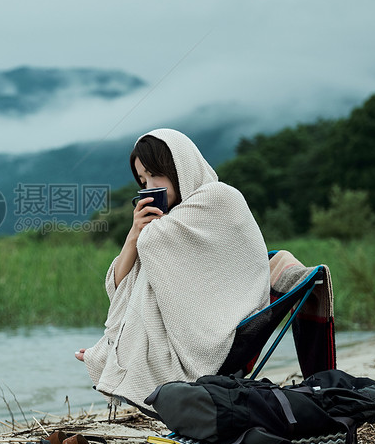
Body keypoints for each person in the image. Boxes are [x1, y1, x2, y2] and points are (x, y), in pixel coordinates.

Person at [76, 128, 270, 412]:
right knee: (145, 267)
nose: (150, 186)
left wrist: (150, 233)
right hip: (200, 322)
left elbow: (224, 278)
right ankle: (115, 349)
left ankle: (115, 353)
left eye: (156, 175)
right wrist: (133, 234)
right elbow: (118, 287)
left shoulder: (218, 198)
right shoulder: (168, 223)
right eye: (143, 181)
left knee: (151, 253)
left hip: (226, 332)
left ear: (180, 167)